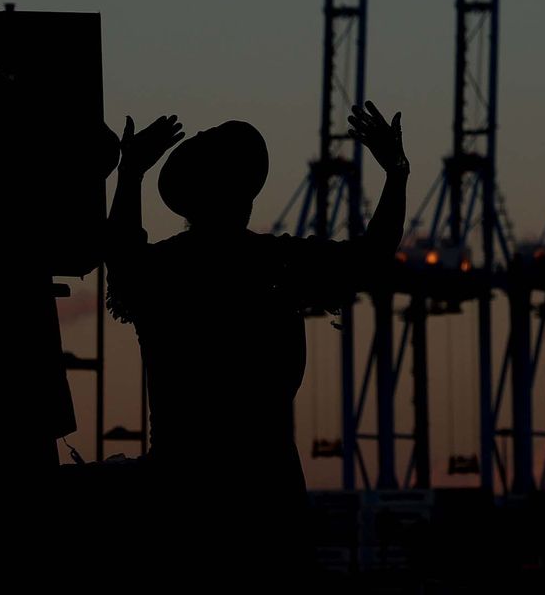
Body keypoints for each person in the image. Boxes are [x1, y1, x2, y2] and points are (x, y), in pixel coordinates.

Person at [104, 102, 408, 549]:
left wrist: (130, 175)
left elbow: (123, 255)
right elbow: (370, 256)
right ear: (246, 195)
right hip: (268, 496)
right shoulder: (276, 264)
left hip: (180, 495)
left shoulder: (163, 271)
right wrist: (396, 172)